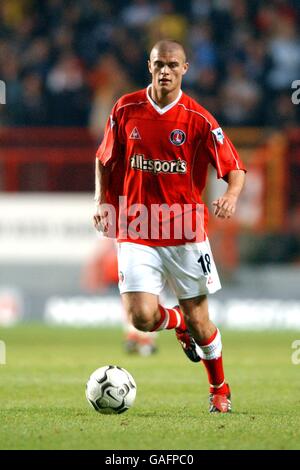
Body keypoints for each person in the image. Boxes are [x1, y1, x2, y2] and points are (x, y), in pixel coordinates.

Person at [93, 39, 246, 413]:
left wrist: (231, 196)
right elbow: (104, 159)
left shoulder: (199, 119)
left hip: (185, 232)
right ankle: (175, 321)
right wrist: (101, 202)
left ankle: (219, 390)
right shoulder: (125, 108)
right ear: (149, 66)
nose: (166, 70)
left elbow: (235, 168)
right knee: (141, 318)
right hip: (136, 227)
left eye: (173, 65)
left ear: (185, 69)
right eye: (159, 63)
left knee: (201, 322)